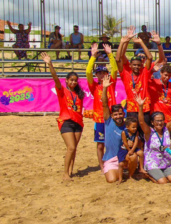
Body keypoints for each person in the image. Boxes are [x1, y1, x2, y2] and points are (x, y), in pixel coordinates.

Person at [41, 52, 85, 181]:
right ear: (66, 80)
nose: (73, 82)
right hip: (66, 122)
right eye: (71, 80)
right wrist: (50, 64)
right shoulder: (62, 91)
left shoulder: (79, 94)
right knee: (71, 147)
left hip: (78, 123)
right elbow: (55, 78)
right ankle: (65, 173)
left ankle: (70, 171)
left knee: (74, 149)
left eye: (75, 80)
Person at [135, 91, 171, 184]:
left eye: (161, 120)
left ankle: (163, 173)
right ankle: (148, 175)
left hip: (166, 162)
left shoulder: (167, 129)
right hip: (153, 163)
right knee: (163, 182)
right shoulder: (149, 132)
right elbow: (141, 122)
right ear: (152, 122)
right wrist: (140, 106)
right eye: (157, 121)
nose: (160, 123)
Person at [86, 43, 118, 171]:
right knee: (100, 145)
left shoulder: (111, 84)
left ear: (107, 74)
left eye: (104, 73)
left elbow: (115, 69)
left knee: (114, 143)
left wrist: (110, 55)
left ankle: (114, 164)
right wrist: (93, 57)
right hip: (99, 120)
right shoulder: (94, 87)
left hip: (112, 119)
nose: (101, 75)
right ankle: (101, 166)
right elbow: (88, 72)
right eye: (99, 73)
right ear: (96, 75)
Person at [115, 27, 154, 127]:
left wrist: (141, 42)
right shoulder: (126, 74)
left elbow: (150, 57)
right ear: (130, 65)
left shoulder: (144, 73)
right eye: (134, 65)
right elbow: (118, 59)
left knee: (144, 131)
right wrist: (123, 42)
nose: (136, 67)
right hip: (131, 108)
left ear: (141, 65)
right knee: (132, 132)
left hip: (144, 107)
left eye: (138, 65)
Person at [99, 76, 127, 184]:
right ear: (112, 115)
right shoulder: (108, 121)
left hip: (124, 158)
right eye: (115, 114)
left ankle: (125, 171)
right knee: (111, 180)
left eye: (120, 114)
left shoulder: (128, 125)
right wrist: (105, 88)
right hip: (111, 158)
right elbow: (104, 104)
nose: (118, 116)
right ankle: (120, 172)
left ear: (123, 114)